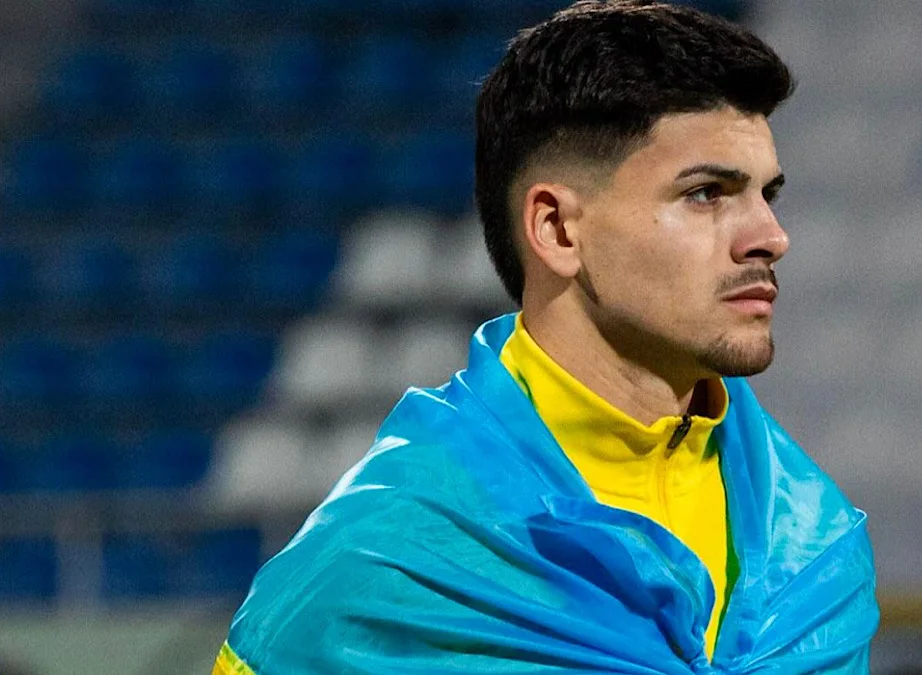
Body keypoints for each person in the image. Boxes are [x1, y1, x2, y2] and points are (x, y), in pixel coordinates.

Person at [215, 1, 878, 672]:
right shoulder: (380, 565)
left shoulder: (817, 553)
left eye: (767, 195)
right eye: (706, 193)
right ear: (558, 230)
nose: (770, 236)